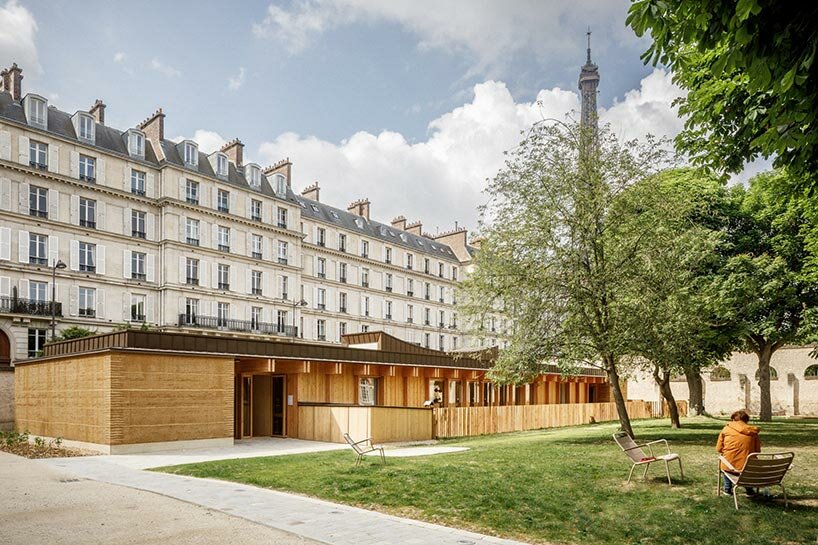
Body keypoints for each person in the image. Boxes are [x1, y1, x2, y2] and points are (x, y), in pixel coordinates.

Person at [716, 409, 761, 495]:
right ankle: (749, 490)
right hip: (747, 466)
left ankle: (727, 488)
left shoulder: (726, 429)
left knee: (727, 461)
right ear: (746, 421)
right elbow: (757, 450)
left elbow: (719, 448)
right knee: (746, 463)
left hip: (730, 465)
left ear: (733, 419)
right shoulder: (753, 432)